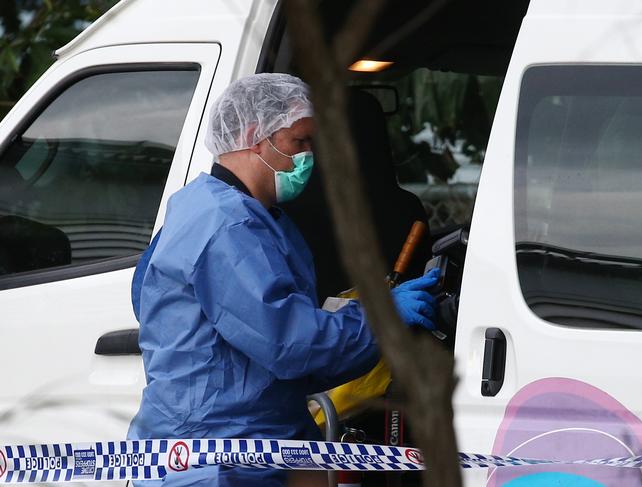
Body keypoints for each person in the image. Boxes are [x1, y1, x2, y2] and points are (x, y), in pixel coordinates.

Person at [128, 73, 439, 486]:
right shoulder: (228, 227)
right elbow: (289, 341)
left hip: (261, 439)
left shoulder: (218, 209)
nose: (310, 157)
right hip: (217, 453)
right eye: (300, 142)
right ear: (257, 136)